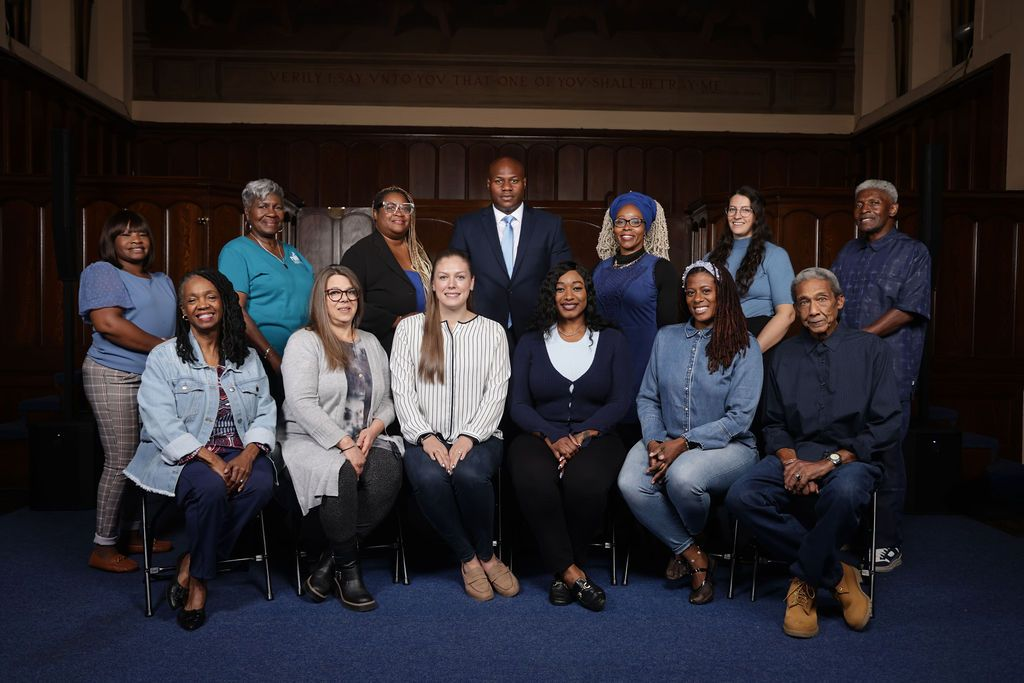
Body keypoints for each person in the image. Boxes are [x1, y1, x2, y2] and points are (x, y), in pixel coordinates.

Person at [726, 267, 901, 638]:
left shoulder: (872, 350)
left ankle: (803, 581)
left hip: (850, 459)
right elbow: (773, 424)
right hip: (796, 455)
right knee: (742, 495)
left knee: (846, 490)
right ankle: (838, 574)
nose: (813, 310)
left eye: (821, 299)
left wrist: (828, 463)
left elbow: (886, 424)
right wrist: (792, 464)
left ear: (839, 302)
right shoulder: (783, 356)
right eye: (803, 302)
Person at [124, 269, 277, 631]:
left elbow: (266, 409)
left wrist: (249, 454)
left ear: (224, 303)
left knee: (260, 484)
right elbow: (159, 420)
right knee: (210, 489)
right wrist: (209, 458)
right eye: (192, 300)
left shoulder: (246, 356)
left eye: (209, 297)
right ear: (183, 311)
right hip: (184, 457)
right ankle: (199, 585)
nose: (202, 305)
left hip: (239, 450)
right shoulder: (165, 357)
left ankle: (192, 561)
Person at [618, 260, 762, 605]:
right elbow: (648, 397)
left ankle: (692, 542)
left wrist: (682, 444)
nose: (697, 298)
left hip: (728, 446)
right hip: (664, 436)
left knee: (682, 478)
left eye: (706, 290)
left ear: (722, 295)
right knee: (629, 482)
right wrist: (654, 440)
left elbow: (739, 418)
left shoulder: (745, 344)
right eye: (691, 291)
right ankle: (695, 554)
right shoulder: (666, 338)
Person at [390, 249, 517, 601]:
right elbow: (401, 389)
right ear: (432, 284)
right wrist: (425, 436)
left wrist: (468, 437)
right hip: (422, 436)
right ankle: (470, 559)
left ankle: (488, 555)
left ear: (472, 283)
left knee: (468, 474)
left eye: (460, 276)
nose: (451, 284)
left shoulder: (492, 332)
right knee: (430, 477)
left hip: (481, 435)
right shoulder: (410, 329)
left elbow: (497, 392)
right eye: (443, 277)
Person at [508, 262, 633, 611]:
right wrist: (551, 436)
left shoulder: (612, 340)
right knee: (532, 478)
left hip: (597, 434)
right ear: (551, 296)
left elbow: (620, 400)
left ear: (587, 294)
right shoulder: (531, 342)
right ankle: (573, 573)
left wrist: (581, 436)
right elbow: (518, 403)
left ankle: (562, 572)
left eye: (577, 287)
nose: (568, 295)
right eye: (560, 288)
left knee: (586, 483)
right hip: (538, 433)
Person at [280, 265, 403, 612]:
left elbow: (388, 399)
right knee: (341, 473)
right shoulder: (305, 341)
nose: (344, 299)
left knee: (387, 472)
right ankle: (349, 573)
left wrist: (375, 428)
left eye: (350, 292)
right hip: (313, 438)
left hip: (364, 435)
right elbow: (300, 403)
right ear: (322, 299)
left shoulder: (371, 342)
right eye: (335, 293)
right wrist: (344, 444)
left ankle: (327, 563)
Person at [831, 179, 931, 572]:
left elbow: (909, 308)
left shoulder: (913, 253)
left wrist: (857, 339)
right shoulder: (848, 252)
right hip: (846, 372)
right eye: (858, 204)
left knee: (886, 455)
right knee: (846, 449)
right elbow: (832, 301)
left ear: (893, 209)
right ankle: (852, 533)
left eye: (874, 202)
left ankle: (886, 542)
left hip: (891, 371)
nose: (864, 209)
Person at [79, 210, 177, 572]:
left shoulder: (162, 279)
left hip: (153, 378)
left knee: (146, 458)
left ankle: (135, 533)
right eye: (125, 234)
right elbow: (109, 324)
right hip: (112, 374)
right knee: (121, 459)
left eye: (142, 233)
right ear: (112, 242)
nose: (136, 239)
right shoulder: (102, 272)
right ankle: (103, 546)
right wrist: (165, 348)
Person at [449, 156, 572, 344]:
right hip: (480, 329)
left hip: (538, 329)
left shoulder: (550, 225)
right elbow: (455, 278)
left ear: (524, 183)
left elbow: (562, 275)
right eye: (499, 181)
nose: (507, 187)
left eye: (514, 180)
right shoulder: (466, 226)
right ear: (489, 184)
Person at [593, 191, 680, 441]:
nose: (627, 228)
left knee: (638, 436)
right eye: (620, 221)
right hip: (605, 367)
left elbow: (670, 332)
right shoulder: (600, 268)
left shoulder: (660, 268)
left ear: (647, 226)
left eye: (635, 221)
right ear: (613, 227)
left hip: (644, 368)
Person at [218, 178, 314, 399]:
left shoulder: (293, 253)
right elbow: (235, 310)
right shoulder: (236, 251)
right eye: (262, 206)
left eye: (277, 206)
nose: (271, 213)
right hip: (259, 359)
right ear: (248, 212)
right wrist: (271, 356)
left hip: (300, 359)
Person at [340, 186, 432, 355]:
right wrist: (395, 321)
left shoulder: (420, 253)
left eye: (406, 208)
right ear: (375, 213)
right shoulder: (360, 253)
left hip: (424, 344)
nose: (399, 213)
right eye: (390, 207)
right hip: (384, 347)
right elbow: (347, 302)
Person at [706, 185, 795, 353]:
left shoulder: (775, 255)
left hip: (758, 338)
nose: (737, 215)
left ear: (757, 215)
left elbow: (787, 314)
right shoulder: (710, 258)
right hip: (718, 339)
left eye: (745, 210)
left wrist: (752, 353)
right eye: (732, 209)